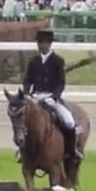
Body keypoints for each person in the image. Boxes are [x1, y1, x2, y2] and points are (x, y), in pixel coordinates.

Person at [23, 29, 83, 160]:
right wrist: (26, 92)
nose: (41, 45)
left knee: (69, 121)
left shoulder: (58, 61)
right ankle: (24, 152)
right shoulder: (33, 61)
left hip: (51, 97)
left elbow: (60, 83)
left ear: (49, 44)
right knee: (23, 121)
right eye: (39, 42)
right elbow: (28, 80)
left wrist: (54, 97)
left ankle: (72, 150)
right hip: (36, 96)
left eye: (43, 43)